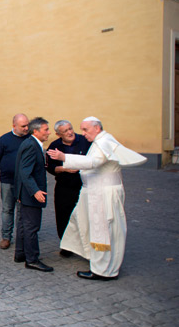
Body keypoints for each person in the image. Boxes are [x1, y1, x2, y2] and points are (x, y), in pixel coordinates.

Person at [48, 117, 146, 280]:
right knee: (80, 221)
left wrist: (64, 157)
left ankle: (103, 270)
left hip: (102, 195)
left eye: (85, 130)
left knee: (103, 231)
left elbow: (94, 161)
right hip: (95, 192)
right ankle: (95, 259)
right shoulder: (100, 140)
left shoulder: (103, 141)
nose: (82, 134)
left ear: (97, 128)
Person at [45, 120, 91, 256]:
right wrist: (64, 169)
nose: (70, 132)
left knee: (84, 215)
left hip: (84, 184)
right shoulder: (54, 146)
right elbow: (50, 167)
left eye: (70, 128)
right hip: (64, 186)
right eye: (65, 131)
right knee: (63, 215)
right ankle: (66, 245)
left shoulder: (84, 141)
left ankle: (86, 245)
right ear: (58, 134)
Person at [14, 117, 53, 272]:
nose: (49, 133)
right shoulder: (31, 145)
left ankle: (21, 253)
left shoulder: (31, 143)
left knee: (24, 225)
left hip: (26, 193)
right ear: (35, 131)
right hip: (30, 194)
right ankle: (32, 259)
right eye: (46, 129)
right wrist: (35, 191)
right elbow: (25, 172)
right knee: (32, 227)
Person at [0, 113, 30, 249]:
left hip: (24, 183)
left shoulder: (30, 139)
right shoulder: (4, 140)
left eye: (27, 125)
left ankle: (22, 237)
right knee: (7, 210)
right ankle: (6, 237)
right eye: (23, 126)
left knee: (22, 211)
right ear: (14, 126)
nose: (26, 128)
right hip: (7, 181)